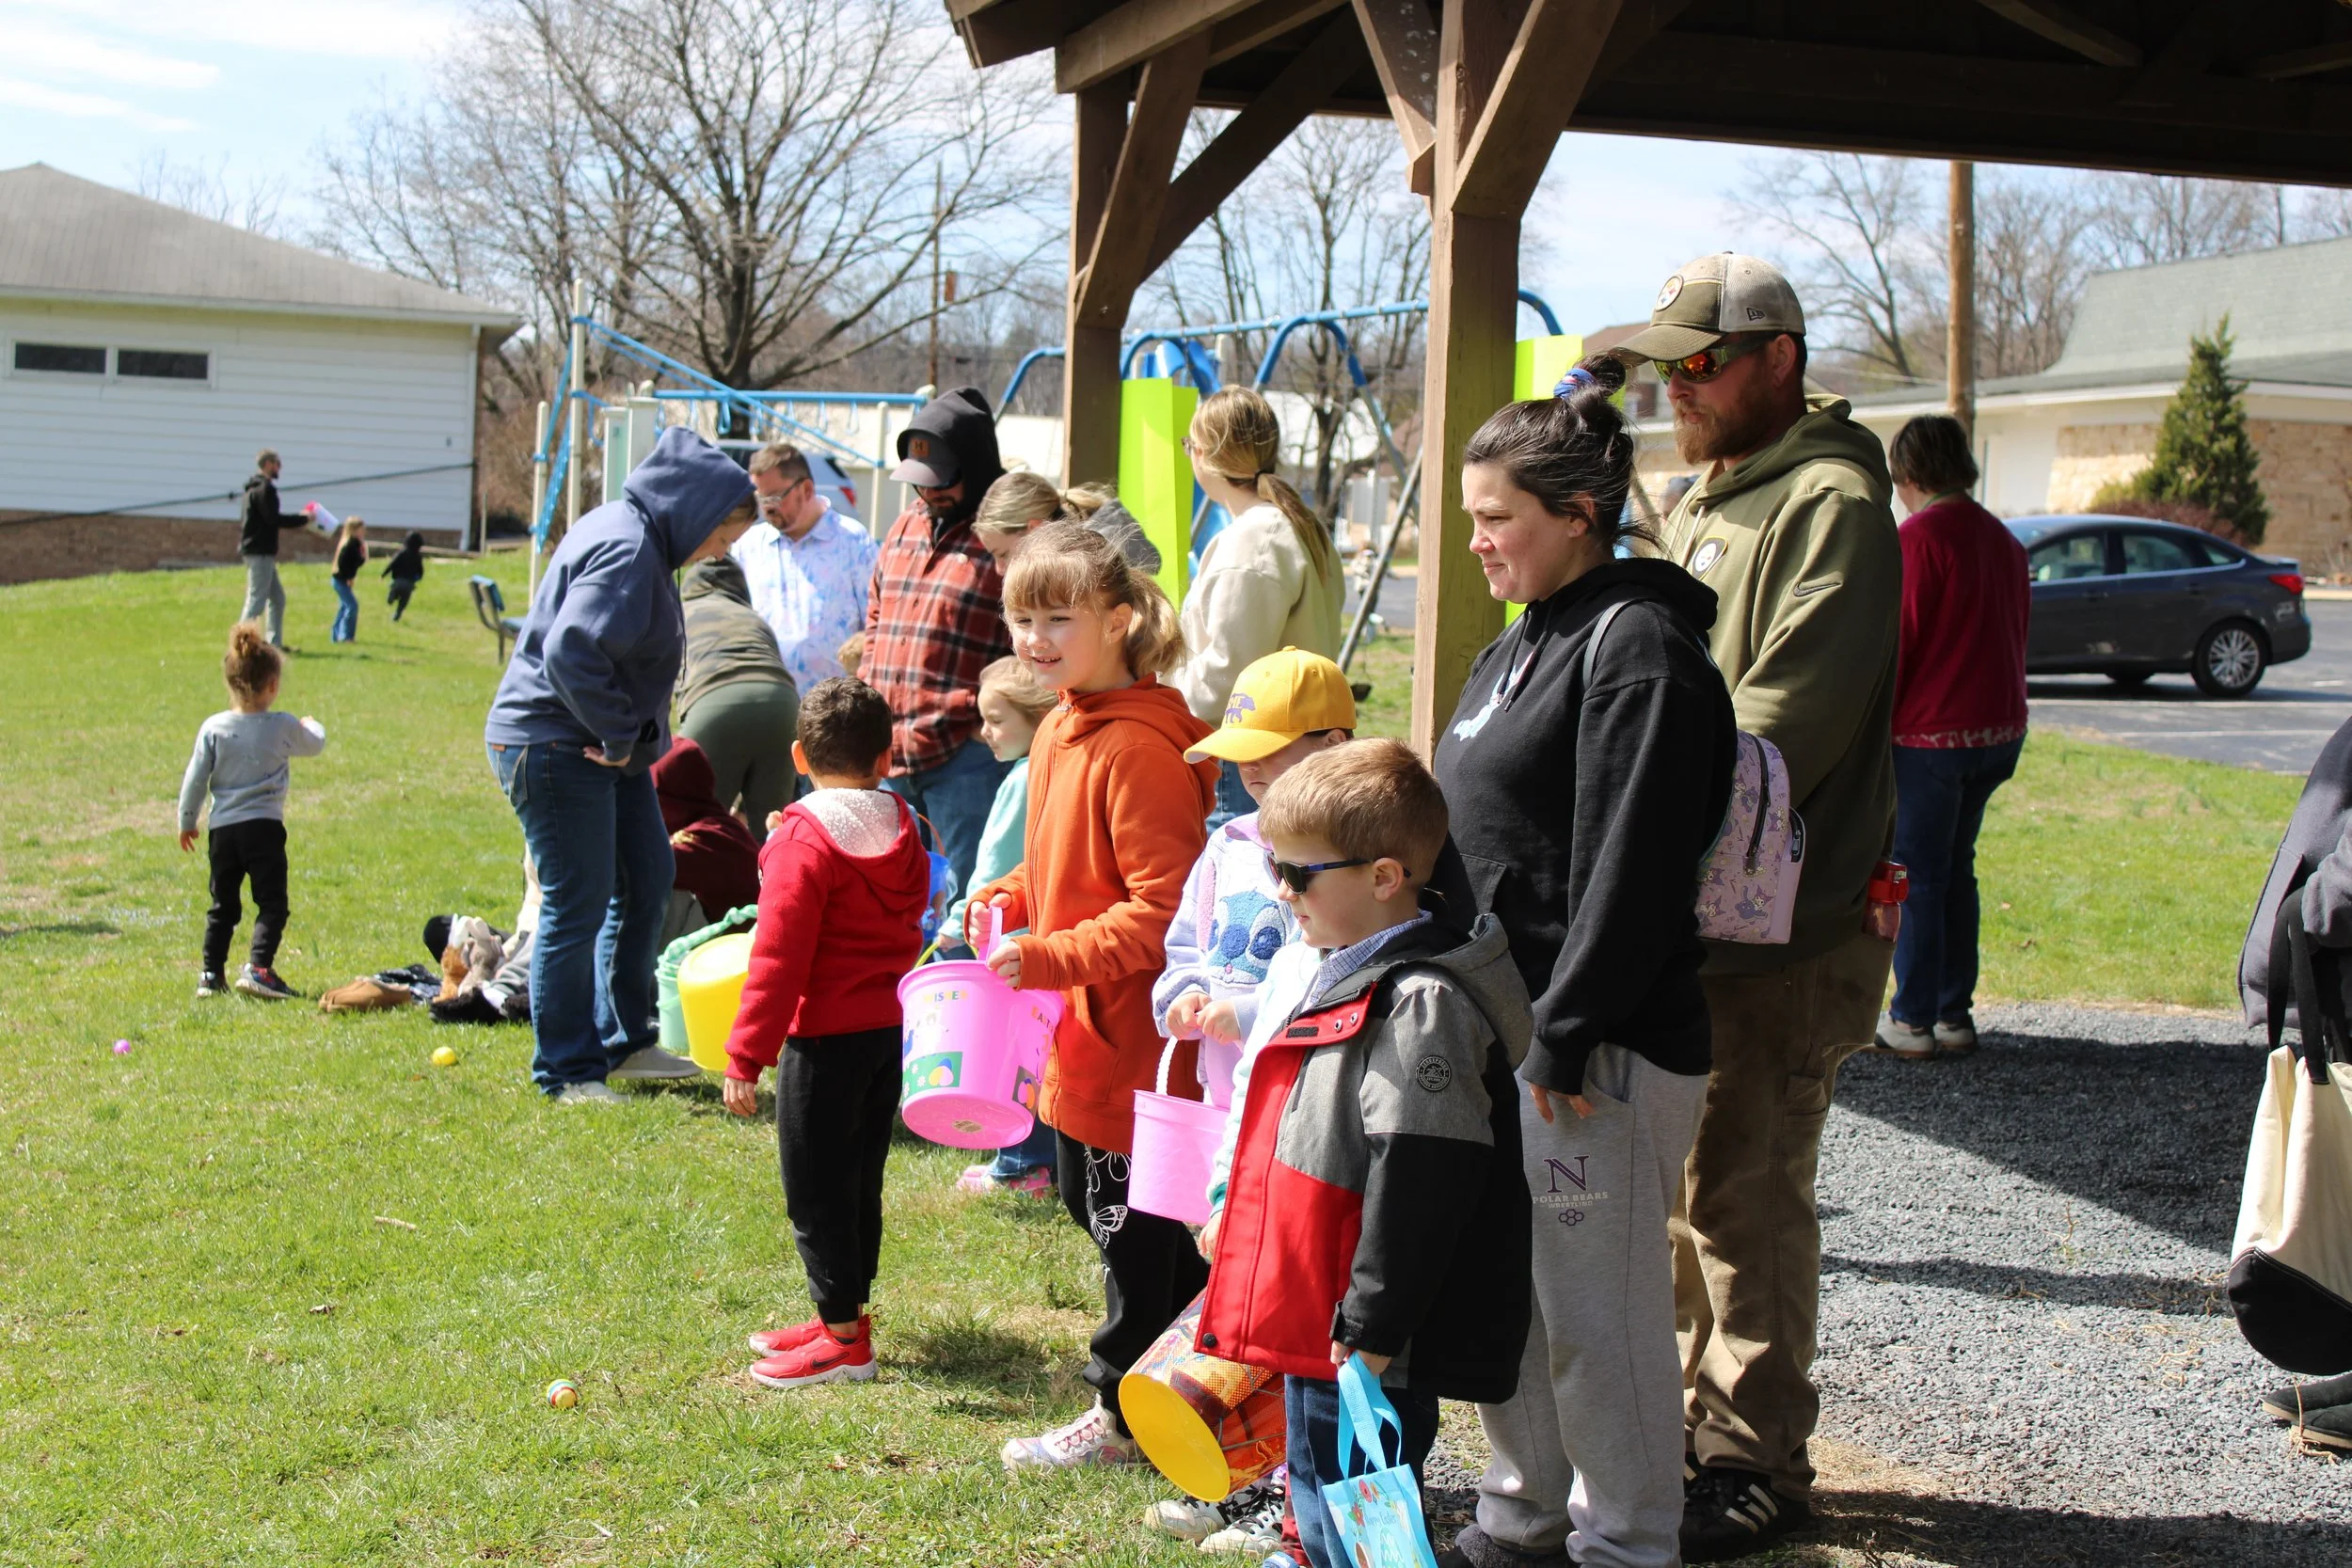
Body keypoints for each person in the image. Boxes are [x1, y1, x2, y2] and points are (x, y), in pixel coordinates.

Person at [1427, 362, 1739, 1568]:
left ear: (1577, 514)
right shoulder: (1518, 643)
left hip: (1593, 1051)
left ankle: (1627, 1541)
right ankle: (1521, 1518)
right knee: (1514, 1296)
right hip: (1501, 1037)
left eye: (1495, 517)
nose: (1476, 540)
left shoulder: (1638, 646)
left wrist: (1563, 1033)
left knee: (1595, 1316)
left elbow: (1635, 866)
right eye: (1470, 516)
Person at [1624, 251, 1902, 1560]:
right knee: (1690, 1192)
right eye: (1665, 366)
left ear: (1777, 358)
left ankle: (1755, 1461)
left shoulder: (1831, 501)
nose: (1676, 387)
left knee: (1747, 1193)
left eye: (1700, 361)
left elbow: (1789, 716)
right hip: (1700, 912)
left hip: (1784, 927)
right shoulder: (1716, 490)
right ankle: (1699, 1429)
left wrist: (1647, 810)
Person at [1197, 739, 1534, 1568]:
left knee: (1358, 1509)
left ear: (1385, 876)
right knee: (1318, 1488)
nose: (1282, 890)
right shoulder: (1336, 968)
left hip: (1366, 1328)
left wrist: (1374, 1322)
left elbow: (1424, 1177)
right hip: (1326, 1306)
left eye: (1298, 874)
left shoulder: (1420, 1003)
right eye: (1274, 867)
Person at [964, 519, 1219, 1469]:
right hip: (1075, 1033)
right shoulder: (1061, 725)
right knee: (1101, 1208)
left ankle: (1122, 1415)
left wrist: (1047, 955)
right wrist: (1009, 897)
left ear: (1117, 619)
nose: (1034, 639)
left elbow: (1161, 912)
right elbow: (1061, 871)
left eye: (1056, 618)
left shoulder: (1139, 748)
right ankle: (1202, 1368)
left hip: (1133, 1045)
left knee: (1129, 1236)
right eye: (1021, 619)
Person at [1138, 646, 1356, 1559]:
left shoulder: (1348, 858)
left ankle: (1299, 1501)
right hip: (1232, 1114)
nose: (1252, 771)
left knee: (1301, 1317)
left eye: (1272, 751)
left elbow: (1328, 976)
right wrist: (1182, 997)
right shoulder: (1227, 845)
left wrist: (1248, 1009)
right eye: (1241, 754)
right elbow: (1184, 948)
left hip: (1308, 1122)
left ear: (1334, 745)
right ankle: (1251, 1475)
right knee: (1244, 1302)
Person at [485, 426, 757, 1104]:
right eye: (721, 537)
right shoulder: (630, 548)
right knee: (577, 901)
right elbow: (571, 650)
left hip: (610, 750)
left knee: (647, 874)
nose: (717, 553)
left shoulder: (643, 538)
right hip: (557, 746)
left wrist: (629, 741)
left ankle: (624, 1040)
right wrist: (615, 733)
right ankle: (566, 1069)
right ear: (693, 512)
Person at [721, 678, 931, 1389]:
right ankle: (843, 1313)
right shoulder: (905, 823)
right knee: (858, 1179)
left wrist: (745, 1055)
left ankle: (844, 1341)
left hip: (823, 1042)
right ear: (886, 756)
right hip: (887, 1033)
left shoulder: (800, 840)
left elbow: (776, 959)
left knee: (815, 1188)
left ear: (798, 757)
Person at [1876, 415, 2029, 1061]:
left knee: (1918, 875)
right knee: (1955, 870)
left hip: (1931, 736)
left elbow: (1900, 642)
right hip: (1997, 729)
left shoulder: (1918, 539)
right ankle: (1951, 1012)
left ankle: (1913, 1018)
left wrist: (1873, 726)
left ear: (1907, 473)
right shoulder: (2004, 540)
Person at [865, 388, 1016, 900]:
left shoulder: (1006, 536)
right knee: (892, 900)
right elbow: (876, 617)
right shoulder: (906, 524)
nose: (928, 494)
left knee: (967, 902)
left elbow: (1034, 645)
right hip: (888, 754)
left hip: (965, 757)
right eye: (920, 482)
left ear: (976, 467)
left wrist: (988, 721)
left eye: (941, 483)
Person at [1173, 388, 1343, 826]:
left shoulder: (1255, 539)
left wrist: (1165, 701)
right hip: (1290, 743)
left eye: (1188, 445)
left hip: (1252, 756)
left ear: (1203, 453)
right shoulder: (1296, 524)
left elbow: (1229, 672)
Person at [949, 655, 1064, 1198]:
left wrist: (959, 916)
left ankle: (1021, 1164)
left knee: (1013, 1056)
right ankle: (1039, 1161)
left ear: (1037, 718)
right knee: (1041, 1054)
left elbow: (995, 866)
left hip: (1008, 940)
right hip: (1039, 936)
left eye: (996, 720)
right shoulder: (1053, 770)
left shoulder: (1023, 779)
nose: (985, 733)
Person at [178, 621, 327, 1001]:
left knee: (222, 906)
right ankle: (259, 968)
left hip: (223, 831)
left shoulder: (213, 728)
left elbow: (195, 778)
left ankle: (210, 974)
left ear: (230, 683)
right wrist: (312, 724)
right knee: (272, 903)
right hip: (264, 830)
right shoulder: (281, 726)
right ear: (273, 685)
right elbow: (314, 744)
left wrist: (187, 820)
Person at [731, 441, 878, 694]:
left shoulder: (852, 541)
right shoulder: (748, 546)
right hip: (764, 700)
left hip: (834, 704)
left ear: (807, 489)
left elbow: (877, 622)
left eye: (774, 497)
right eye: (760, 497)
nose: (767, 507)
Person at [676, 554, 801, 832]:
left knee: (694, 827)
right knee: (771, 830)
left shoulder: (681, 614)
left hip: (714, 703)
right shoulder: (755, 619)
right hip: (782, 704)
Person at [651, 736, 761, 926]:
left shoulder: (708, 838)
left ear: (673, 796)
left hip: (740, 938)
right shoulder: (717, 822)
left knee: (651, 884)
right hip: (735, 931)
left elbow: (643, 865)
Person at [238, 449, 310, 648]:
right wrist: (303, 519)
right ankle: (240, 644)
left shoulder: (252, 489)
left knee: (277, 598)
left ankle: (274, 644)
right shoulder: (265, 490)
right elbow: (274, 519)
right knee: (256, 600)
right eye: (278, 463)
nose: (280, 467)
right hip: (260, 552)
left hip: (259, 551)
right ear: (269, 464)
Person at [328, 515, 368, 643]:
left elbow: (356, 562)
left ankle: (335, 636)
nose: (364, 531)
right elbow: (343, 564)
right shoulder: (349, 544)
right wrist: (348, 577)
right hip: (340, 580)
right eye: (361, 529)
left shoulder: (355, 543)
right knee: (352, 606)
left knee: (344, 607)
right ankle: (347, 637)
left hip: (343, 580)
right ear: (354, 530)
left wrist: (363, 555)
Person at [383, 531, 427, 621]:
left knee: (395, 589)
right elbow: (420, 570)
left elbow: (392, 564)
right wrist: (418, 577)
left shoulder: (402, 553)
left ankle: (392, 595)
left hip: (398, 581)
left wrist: (384, 574)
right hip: (409, 584)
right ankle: (397, 614)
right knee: (403, 601)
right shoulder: (418, 556)